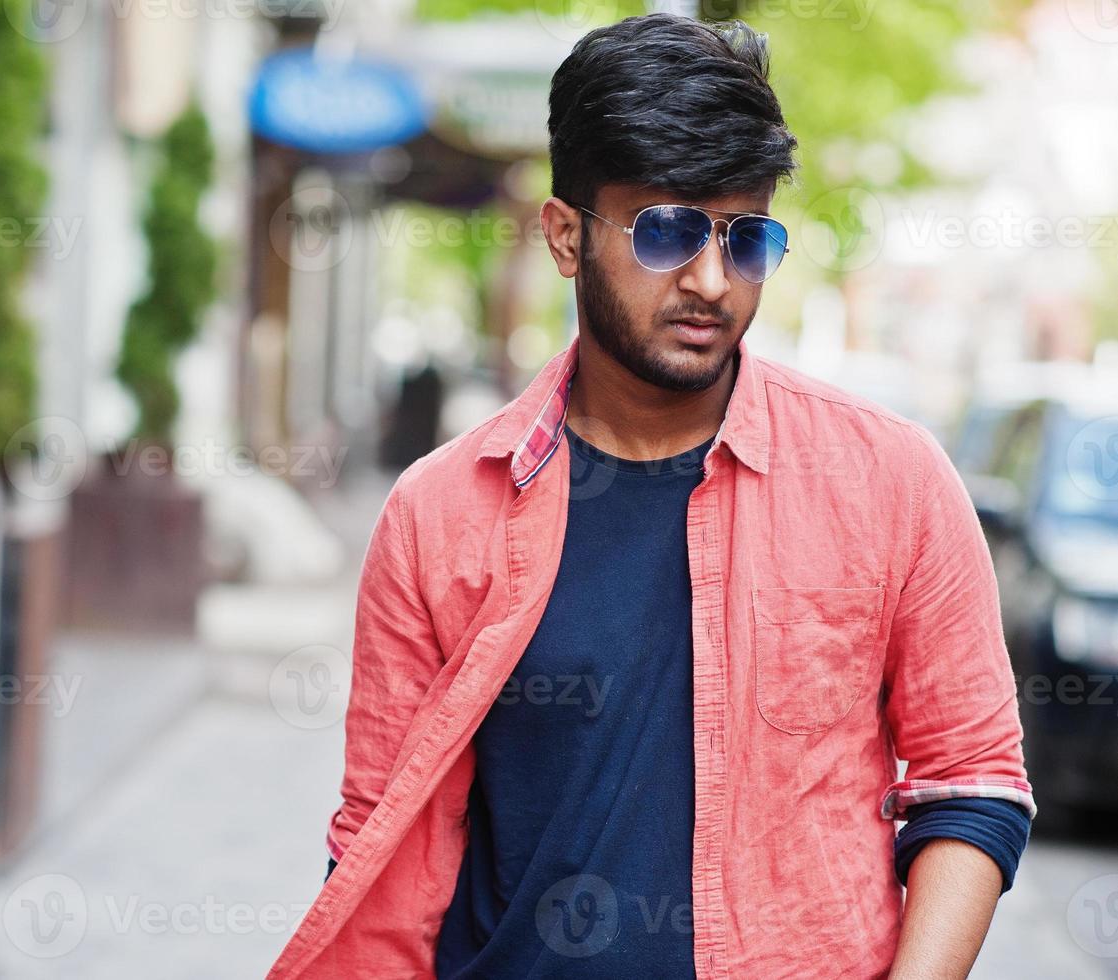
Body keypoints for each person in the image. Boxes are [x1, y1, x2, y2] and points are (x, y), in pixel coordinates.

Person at [269, 13, 1033, 979]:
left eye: (744, 237)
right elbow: (377, 841)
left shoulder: (891, 481)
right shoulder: (438, 514)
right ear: (563, 235)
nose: (712, 280)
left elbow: (972, 781)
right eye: (667, 231)